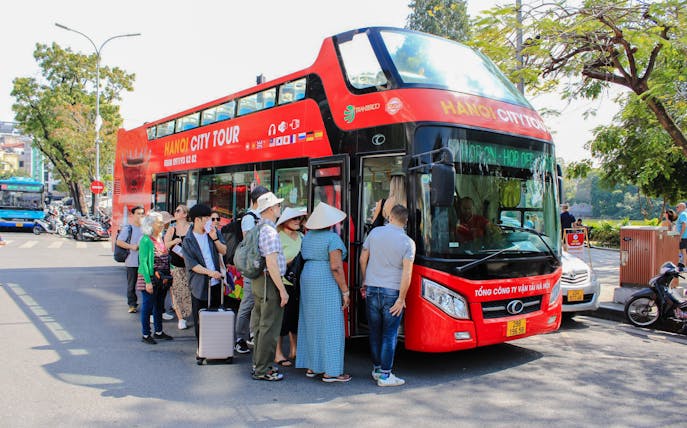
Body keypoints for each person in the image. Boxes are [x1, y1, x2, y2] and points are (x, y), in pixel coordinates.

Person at [360, 204, 415, 387]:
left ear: (390, 217)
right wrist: (401, 298)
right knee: (389, 335)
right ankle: (385, 376)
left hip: (372, 288)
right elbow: (407, 273)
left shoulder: (374, 233)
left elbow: (362, 258)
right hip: (392, 291)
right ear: (405, 221)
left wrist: (365, 280)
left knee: (374, 332)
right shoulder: (408, 242)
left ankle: (376, 369)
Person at [296, 202, 351, 383]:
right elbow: (336, 267)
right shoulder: (332, 238)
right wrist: (345, 291)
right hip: (325, 278)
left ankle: (313, 366)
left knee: (311, 322)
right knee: (331, 325)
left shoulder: (307, 237)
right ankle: (331, 371)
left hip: (308, 277)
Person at [250, 192, 290, 381]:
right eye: (277, 206)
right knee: (269, 327)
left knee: (260, 325)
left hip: (259, 281)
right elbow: (272, 263)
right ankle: (263, 369)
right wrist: (282, 289)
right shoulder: (270, 232)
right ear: (271, 209)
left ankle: (258, 364)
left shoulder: (258, 228)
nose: (279, 209)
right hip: (270, 282)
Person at [181, 203, 227, 353]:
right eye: (207, 218)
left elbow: (224, 251)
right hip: (199, 284)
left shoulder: (213, 232)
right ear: (197, 220)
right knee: (200, 318)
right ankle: (202, 349)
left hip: (216, 283)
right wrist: (209, 272)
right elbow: (192, 265)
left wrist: (214, 239)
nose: (210, 221)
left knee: (216, 316)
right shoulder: (188, 239)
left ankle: (217, 349)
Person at [235, 185, 270, 355]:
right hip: (252, 267)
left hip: (262, 267)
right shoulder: (249, 218)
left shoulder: (262, 216)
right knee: (248, 302)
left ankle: (252, 334)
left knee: (257, 304)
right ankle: (239, 338)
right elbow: (249, 243)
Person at [273, 206, 306, 367]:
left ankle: (294, 350)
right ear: (285, 221)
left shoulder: (301, 236)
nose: (297, 221)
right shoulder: (278, 237)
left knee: (295, 318)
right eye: (294, 219)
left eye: (299, 219)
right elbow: (275, 263)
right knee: (282, 320)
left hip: (298, 284)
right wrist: (292, 261)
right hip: (284, 283)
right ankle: (278, 353)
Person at [137, 211, 174, 344]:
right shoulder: (145, 240)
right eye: (159, 222)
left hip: (162, 278)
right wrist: (148, 282)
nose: (162, 224)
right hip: (150, 277)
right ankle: (146, 334)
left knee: (159, 305)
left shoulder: (160, 238)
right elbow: (144, 262)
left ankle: (158, 331)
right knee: (148, 306)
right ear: (151, 224)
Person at [164, 204, 192, 330]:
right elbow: (165, 245)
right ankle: (181, 318)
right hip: (175, 265)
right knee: (175, 291)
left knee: (188, 291)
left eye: (178, 211)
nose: (175, 213)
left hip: (191, 265)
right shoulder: (172, 229)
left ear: (185, 214)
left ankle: (189, 312)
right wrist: (174, 242)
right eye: (175, 211)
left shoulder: (191, 228)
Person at [116, 205, 145, 314]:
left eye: (142, 214)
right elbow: (119, 242)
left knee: (146, 282)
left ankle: (147, 303)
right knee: (131, 284)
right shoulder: (129, 228)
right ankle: (132, 304)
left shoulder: (146, 228)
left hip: (144, 261)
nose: (140, 216)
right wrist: (132, 246)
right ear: (132, 215)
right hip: (132, 260)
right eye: (138, 213)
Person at [676, 203, 687, 271]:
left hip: (683, 236)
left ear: (682, 207)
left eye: (677, 207)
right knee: (682, 251)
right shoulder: (683, 214)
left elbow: (684, 225)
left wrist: (680, 235)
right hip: (683, 236)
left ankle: (684, 266)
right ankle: (683, 265)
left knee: (683, 251)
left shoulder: (683, 214)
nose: (676, 208)